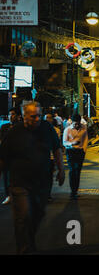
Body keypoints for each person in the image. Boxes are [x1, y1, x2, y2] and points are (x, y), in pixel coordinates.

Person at [0, 101, 64, 254]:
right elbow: (2, 158)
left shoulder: (47, 128)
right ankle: (23, 249)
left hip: (42, 183)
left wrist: (61, 169)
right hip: (20, 184)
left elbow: (56, 149)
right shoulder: (14, 133)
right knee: (23, 216)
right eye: (33, 116)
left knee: (38, 214)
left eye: (39, 116)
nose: (37, 119)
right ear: (24, 117)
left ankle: (29, 241)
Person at [63, 114, 88, 200]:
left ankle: (75, 191)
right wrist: (71, 143)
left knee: (78, 171)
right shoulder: (67, 130)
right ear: (72, 122)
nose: (76, 125)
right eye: (75, 124)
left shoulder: (84, 128)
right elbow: (64, 142)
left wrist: (84, 150)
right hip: (70, 151)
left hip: (80, 152)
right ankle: (72, 191)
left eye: (78, 123)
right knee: (72, 170)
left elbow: (85, 140)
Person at [0, 108, 21, 205]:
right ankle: (8, 195)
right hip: (5, 155)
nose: (10, 116)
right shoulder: (4, 126)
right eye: (9, 114)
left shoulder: (20, 127)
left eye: (12, 114)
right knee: (5, 176)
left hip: (17, 156)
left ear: (17, 116)